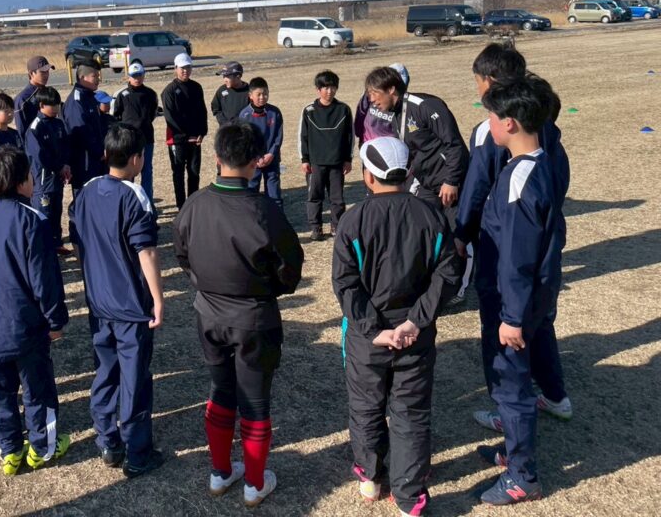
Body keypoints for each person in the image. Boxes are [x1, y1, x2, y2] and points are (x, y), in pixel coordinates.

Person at [173, 122, 303, 507]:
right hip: (254, 319)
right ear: (256, 162)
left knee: (220, 389)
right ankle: (254, 483)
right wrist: (269, 288)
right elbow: (290, 267)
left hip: (209, 315)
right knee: (255, 401)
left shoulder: (194, 204)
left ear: (216, 158)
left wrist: (203, 282)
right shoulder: (264, 210)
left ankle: (220, 472)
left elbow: (182, 254)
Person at [333, 136, 461, 516]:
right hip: (414, 336)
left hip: (367, 338)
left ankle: (370, 477)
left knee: (366, 406)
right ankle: (410, 496)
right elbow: (448, 274)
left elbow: (345, 284)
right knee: (410, 412)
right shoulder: (432, 216)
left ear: (367, 176)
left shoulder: (353, 220)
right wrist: (416, 320)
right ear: (409, 174)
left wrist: (375, 329)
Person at [470, 77, 566, 506]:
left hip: (513, 304)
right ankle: (513, 449)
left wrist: (511, 317)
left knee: (512, 386)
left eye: (491, 116)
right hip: (526, 299)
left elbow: (517, 257)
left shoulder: (520, 179)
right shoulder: (540, 162)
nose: (488, 124)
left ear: (509, 123)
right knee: (513, 382)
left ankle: (522, 476)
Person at [0, 146, 71, 476]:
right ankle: (42, 447)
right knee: (37, 389)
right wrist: (55, 319)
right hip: (24, 325)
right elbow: (44, 279)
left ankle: (9, 449)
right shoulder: (32, 220)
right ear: (23, 180)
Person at [69, 123, 166, 478]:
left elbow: (77, 241)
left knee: (106, 370)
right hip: (130, 306)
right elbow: (147, 252)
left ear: (106, 154)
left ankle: (107, 439)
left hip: (98, 302)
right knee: (134, 377)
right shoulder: (134, 196)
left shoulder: (86, 191)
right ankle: (137, 452)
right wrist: (158, 298)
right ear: (137, 159)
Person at [454, 45, 530, 304]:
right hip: (538, 229)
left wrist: (462, 232)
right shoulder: (541, 119)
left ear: (490, 80)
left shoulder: (489, 130)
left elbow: (476, 185)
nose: (477, 88)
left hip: (497, 233)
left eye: (477, 81)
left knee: (495, 296)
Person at [364, 66, 468, 212]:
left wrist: (451, 181)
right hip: (427, 184)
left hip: (450, 183)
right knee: (420, 218)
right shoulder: (395, 114)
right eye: (369, 94)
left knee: (452, 225)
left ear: (391, 89)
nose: (372, 100)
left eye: (374, 93)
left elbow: (454, 144)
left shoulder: (425, 106)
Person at [299, 70, 354, 241]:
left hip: (337, 162)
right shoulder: (309, 110)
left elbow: (349, 136)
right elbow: (303, 136)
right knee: (315, 196)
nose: (329, 91)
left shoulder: (343, 109)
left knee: (337, 198)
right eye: (325, 88)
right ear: (318, 89)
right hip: (316, 162)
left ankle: (337, 225)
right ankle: (316, 227)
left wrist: (348, 159)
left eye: (333, 87)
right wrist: (304, 159)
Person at [25, 86, 71, 251]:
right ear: (42, 105)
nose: (56, 108)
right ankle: (43, 247)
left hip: (57, 178)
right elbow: (40, 156)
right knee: (43, 212)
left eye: (58, 104)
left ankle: (57, 243)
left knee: (57, 210)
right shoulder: (35, 128)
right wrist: (59, 167)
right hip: (43, 181)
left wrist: (66, 165)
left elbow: (65, 147)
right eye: (52, 105)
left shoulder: (58, 124)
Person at [161, 53, 208, 209]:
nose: (185, 71)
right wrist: (185, 136)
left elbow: (202, 111)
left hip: (195, 139)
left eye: (188, 67)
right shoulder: (169, 91)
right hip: (177, 139)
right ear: (175, 68)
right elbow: (170, 118)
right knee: (178, 173)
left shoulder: (196, 87)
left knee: (194, 172)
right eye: (182, 68)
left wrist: (202, 133)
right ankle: (181, 207)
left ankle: (192, 204)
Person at [112, 61, 158, 203]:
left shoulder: (150, 94)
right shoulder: (122, 95)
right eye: (134, 76)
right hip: (128, 140)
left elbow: (153, 113)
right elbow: (116, 116)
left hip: (147, 138)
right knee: (128, 172)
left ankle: (147, 202)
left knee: (147, 170)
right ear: (129, 77)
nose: (137, 78)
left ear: (144, 75)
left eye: (139, 75)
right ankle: (129, 202)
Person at [237, 77, 284, 208]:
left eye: (265, 94)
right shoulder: (244, 115)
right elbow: (245, 140)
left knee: (274, 193)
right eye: (258, 94)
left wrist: (271, 154)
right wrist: (255, 157)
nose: (262, 97)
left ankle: (276, 217)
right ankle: (253, 217)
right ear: (250, 95)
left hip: (271, 159)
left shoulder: (275, 112)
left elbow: (278, 136)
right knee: (252, 191)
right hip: (253, 161)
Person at [63, 63, 106, 197]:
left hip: (95, 160)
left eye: (98, 76)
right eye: (94, 76)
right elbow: (81, 132)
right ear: (82, 78)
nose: (98, 79)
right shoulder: (77, 101)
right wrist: (99, 152)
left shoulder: (90, 97)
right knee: (84, 199)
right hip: (84, 163)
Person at [354, 63, 409, 145]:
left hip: (391, 146)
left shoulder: (405, 104)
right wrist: (359, 134)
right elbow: (361, 112)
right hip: (368, 142)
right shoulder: (370, 96)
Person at [14, 56, 55, 136]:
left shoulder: (49, 93)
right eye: (42, 72)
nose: (46, 75)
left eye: (47, 71)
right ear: (31, 73)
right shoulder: (23, 99)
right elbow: (22, 131)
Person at [210, 62, 251, 126]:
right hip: (226, 129)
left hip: (244, 128)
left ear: (238, 77)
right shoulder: (222, 90)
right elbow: (216, 109)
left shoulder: (249, 91)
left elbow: (253, 112)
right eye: (224, 76)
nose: (225, 80)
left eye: (227, 76)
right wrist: (224, 123)